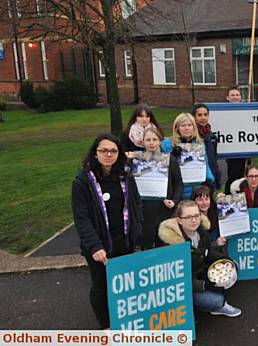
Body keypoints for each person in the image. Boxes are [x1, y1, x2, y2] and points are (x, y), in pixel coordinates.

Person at [71, 134, 143, 329]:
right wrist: (94, 246)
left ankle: (125, 320)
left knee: (125, 284)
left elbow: (136, 204)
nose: (108, 154)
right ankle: (106, 326)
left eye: (113, 151)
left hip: (124, 241)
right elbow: (81, 218)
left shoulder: (126, 175)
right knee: (101, 285)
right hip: (99, 245)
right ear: (95, 154)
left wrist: (137, 233)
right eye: (104, 150)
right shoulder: (82, 181)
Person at [158, 200, 241, 317]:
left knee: (234, 266)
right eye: (188, 217)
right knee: (217, 301)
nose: (194, 220)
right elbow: (178, 279)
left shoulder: (202, 232)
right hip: (185, 285)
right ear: (179, 220)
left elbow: (208, 252)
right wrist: (204, 285)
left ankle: (212, 294)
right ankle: (197, 306)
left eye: (197, 216)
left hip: (201, 272)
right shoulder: (171, 244)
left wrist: (224, 259)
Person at [130, 127, 183, 249]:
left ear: (160, 141)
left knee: (164, 245)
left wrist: (174, 201)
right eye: (148, 139)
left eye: (155, 139)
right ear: (143, 142)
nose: (151, 142)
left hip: (164, 210)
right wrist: (128, 161)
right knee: (146, 246)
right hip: (144, 210)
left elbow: (179, 183)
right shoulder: (136, 160)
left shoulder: (170, 159)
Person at [161, 113, 215, 199]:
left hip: (196, 187)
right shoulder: (167, 144)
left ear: (194, 127)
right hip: (177, 189)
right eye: (183, 125)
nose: (187, 128)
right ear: (177, 128)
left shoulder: (199, 144)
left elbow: (206, 164)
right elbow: (162, 168)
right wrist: (172, 157)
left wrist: (209, 180)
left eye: (189, 125)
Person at [224, 86, 250, 194]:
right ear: (227, 98)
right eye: (232, 95)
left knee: (243, 175)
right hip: (231, 149)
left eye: (237, 95)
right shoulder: (223, 112)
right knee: (233, 176)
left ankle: (241, 197)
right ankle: (228, 196)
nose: (235, 97)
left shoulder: (246, 110)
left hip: (245, 147)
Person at [193, 103, 222, 190]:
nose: (203, 118)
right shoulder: (190, 135)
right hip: (196, 176)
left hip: (210, 177)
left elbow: (214, 159)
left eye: (205, 115)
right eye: (199, 115)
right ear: (194, 117)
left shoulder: (212, 137)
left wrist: (217, 176)